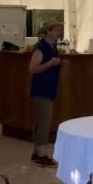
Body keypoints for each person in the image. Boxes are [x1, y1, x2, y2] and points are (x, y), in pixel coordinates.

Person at [29, 21, 66, 167]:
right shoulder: (40, 47)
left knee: (41, 121)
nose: (58, 33)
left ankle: (36, 152)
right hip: (41, 89)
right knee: (45, 121)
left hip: (49, 88)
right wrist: (51, 63)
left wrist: (58, 63)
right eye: (55, 30)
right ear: (47, 32)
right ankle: (42, 154)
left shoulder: (52, 46)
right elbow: (33, 68)